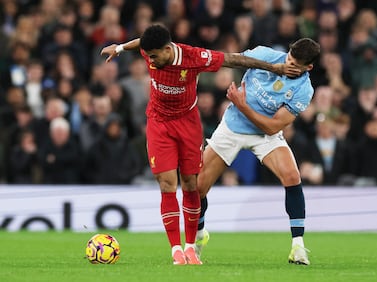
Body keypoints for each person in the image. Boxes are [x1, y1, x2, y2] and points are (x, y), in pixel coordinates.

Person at [100, 24, 302, 265]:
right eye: (148, 55)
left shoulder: (194, 57)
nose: (151, 61)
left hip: (187, 123)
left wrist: (275, 67)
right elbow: (141, 43)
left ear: (167, 49)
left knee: (191, 184)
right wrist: (120, 47)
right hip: (159, 122)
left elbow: (234, 60)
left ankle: (191, 247)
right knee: (166, 183)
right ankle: (176, 249)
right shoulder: (149, 51)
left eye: (154, 56)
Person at [195, 38, 321, 266]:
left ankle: (298, 247)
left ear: (308, 68)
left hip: (265, 134)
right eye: (289, 58)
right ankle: (200, 235)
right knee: (198, 188)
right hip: (232, 127)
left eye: (296, 64)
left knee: (292, 177)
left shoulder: (304, 90)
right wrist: (271, 68)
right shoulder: (265, 53)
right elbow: (233, 60)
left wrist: (243, 105)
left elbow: (273, 126)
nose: (289, 64)